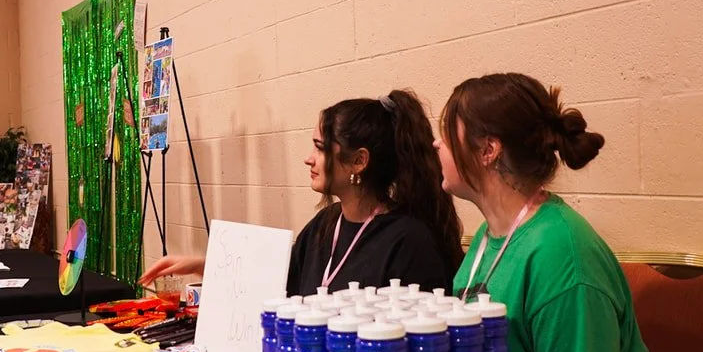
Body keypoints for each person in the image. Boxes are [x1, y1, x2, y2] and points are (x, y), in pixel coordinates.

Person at [435, 72, 674, 352]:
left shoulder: (561, 253)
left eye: (447, 135)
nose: (437, 145)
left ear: (487, 150)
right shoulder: (488, 236)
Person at [140, 90, 463, 295]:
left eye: (320, 149)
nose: (309, 158)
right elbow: (278, 276)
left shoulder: (408, 242)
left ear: (358, 161)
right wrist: (203, 264)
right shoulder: (326, 226)